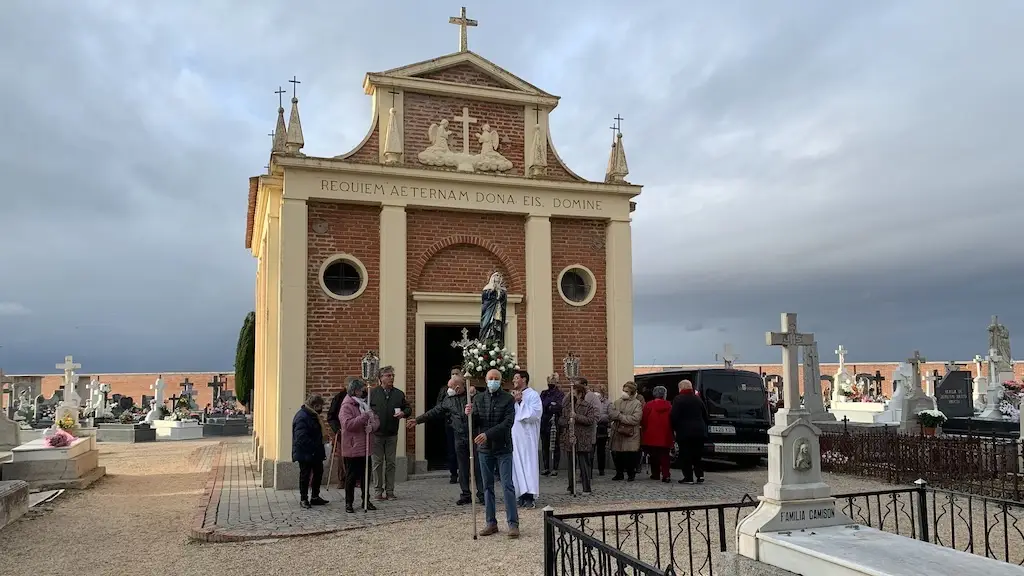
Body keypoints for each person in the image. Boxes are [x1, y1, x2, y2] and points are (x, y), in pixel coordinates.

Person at [407, 374, 482, 505]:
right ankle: (465, 494)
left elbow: (482, 407)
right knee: (463, 467)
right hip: (459, 436)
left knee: (478, 467)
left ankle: (482, 493)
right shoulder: (448, 400)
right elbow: (435, 412)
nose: (448, 389)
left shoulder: (474, 397)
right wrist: (418, 420)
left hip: (474, 435)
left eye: (450, 387)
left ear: (458, 387)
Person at [464, 368, 519, 538]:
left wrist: (487, 435)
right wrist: (469, 414)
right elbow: (477, 421)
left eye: (496, 378)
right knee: (487, 487)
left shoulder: (508, 399)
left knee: (507, 485)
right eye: (490, 378)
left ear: (500, 381)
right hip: (485, 450)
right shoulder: (479, 398)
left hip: (503, 448)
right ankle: (491, 522)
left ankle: (513, 524)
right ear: (486, 380)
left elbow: (507, 423)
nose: (493, 381)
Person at [368, 365, 411, 500]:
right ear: (381, 378)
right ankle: (377, 491)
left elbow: (408, 408)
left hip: (392, 433)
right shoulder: (373, 393)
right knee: (377, 463)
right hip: (376, 434)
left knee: (391, 463)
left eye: (392, 376)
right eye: (388, 376)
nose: (391, 378)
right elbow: (366, 410)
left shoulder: (398, 394)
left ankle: (390, 491)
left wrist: (404, 413)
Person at [339, 378, 380, 513]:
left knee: (365, 477)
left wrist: (372, 427)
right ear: (355, 391)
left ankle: (366, 500)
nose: (363, 392)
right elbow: (348, 424)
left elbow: (375, 419)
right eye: (361, 389)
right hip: (352, 447)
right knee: (351, 477)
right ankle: (348, 503)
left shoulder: (364, 404)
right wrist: (364, 418)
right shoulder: (347, 406)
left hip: (365, 446)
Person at [559, 378, 598, 494]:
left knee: (583, 463)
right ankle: (571, 487)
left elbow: (591, 420)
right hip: (571, 437)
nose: (572, 395)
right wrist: (567, 421)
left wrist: (577, 417)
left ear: (580, 394)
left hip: (582, 438)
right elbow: (561, 420)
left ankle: (586, 487)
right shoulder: (568, 406)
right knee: (571, 464)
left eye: (574, 392)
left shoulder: (587, 406)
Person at [291, 394, 329, 509]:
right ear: (315, 405)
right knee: (305, 475)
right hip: (305, 452)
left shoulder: (312, 415)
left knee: (318, 472)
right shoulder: (302, 417)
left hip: (314, 451)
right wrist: (314, 446)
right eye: (320, 406)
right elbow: (301, 437)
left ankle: (315, 497)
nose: (321, 409)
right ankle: (304, 498)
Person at [511, 369, 542, 508]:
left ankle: (529, 496)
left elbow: (534, 414)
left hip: (528, 437)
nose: (514, 380)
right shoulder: (511, 396)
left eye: (516, 378)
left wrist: (521, 402)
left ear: (524, 379)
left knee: (528, 464)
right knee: (516, 465)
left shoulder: (533, 395)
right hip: (515, 436)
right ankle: (520, 494)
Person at [671, 379, 710, 484]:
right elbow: (705, 416)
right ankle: (700, 475)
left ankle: (688, 478)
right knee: (697, 455)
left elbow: (674, 416)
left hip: (685, 432)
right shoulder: (698, 399)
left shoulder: (678, 399)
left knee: (685, 455)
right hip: (699, 432)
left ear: (681, 388)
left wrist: (674, 428)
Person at [608, 381, 643, 482]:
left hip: (631, 434)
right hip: (618, 432)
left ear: (632, 392)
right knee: (618, 455)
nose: (624, 393)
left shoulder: (637, 404)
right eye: (623, 390)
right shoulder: (618, 402)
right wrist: (616, 415)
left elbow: (635, 419)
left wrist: (620, 417)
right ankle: (619, 474)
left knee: (630, 456)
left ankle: (631, 474)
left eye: (626, 391)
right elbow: (611, 413)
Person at [641, 385, 674, 482]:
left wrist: (645, 429)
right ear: (664, 395)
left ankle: (655, 474)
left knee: (653, 455)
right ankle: (666, 474)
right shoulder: (669, 406)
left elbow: (644, 419)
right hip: (665, 434)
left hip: (651, 433)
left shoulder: (649, 405)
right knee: (665, 456)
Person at [437, 367, 462, 484]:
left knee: (462, 450)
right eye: (453, 373)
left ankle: (463, 472)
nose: (454, 375)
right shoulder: (444, 389)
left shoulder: (464, 388)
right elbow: (439, 406)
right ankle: (453, 473)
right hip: (450, 423)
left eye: (457, 373)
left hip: (462, 425)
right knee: (451, 449)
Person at [540, 374, 564, 476]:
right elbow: (541, 405)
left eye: (553, 381)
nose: (551, 383)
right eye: (550, 381)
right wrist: (550, 405)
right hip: (544, 422)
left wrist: (551, 406)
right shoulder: (544, 393)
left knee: (556, 445)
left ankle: (555, 468)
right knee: (544, 445)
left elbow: (558, 407)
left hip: (555, 422)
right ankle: (546, 467)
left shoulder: (559, 394)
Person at [326, 382, 349, 488]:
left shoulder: (361, 396)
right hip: (342, 431)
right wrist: (337, 429)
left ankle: (356, 478)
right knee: (342, 456)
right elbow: (331, 416)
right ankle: (342, 480)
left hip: (356, 431)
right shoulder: (339, 397)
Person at [590, 388, 610, 476]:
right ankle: (589, 470)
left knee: (601, 451)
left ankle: (601, 469)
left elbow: (609, 416)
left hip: (602, 429)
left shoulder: (607, 403)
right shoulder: (590, 402)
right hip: (592, 429)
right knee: (590, 451)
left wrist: (598, 418)